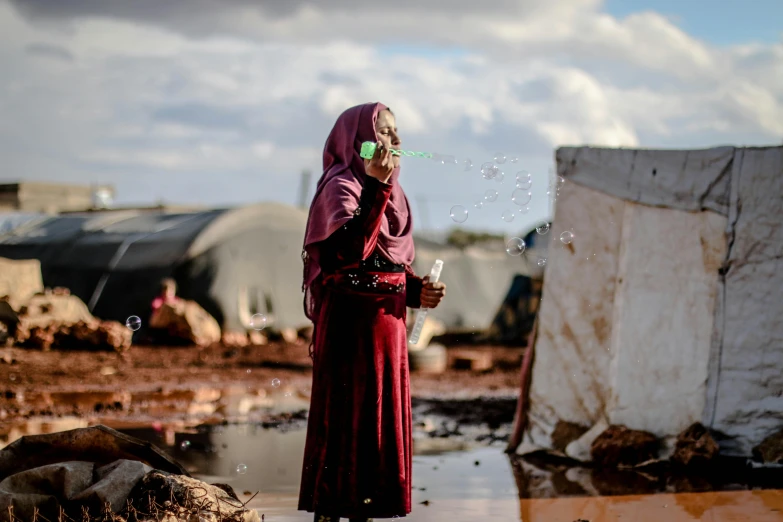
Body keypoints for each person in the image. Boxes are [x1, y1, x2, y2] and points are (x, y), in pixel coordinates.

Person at [298, 103, 446, 522]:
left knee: (375, 436)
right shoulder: (341, 187)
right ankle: (329, 514)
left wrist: (418, 290)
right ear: (356, 139)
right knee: (345, 429)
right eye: (383, 132)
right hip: (350, 332)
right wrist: (376, 186)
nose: (394, 141)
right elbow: (345, 255)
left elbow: (388, 266)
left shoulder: (393, 195)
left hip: (389, 333)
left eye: (397, 132)